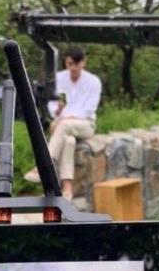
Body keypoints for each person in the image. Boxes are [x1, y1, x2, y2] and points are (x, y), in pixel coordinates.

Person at [25, 46, 102, 200]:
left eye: (76, 64)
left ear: (83, 63)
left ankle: (42, 167)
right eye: (69, 64)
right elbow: (52, 107)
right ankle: (67, 189)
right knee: (68, 141)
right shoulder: (59, 79)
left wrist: (67, 118)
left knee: (64, 125)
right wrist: (59, 110)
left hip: (85, 124)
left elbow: (89, 110)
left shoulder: (93, 81)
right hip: (62, 124)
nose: (73, 68)